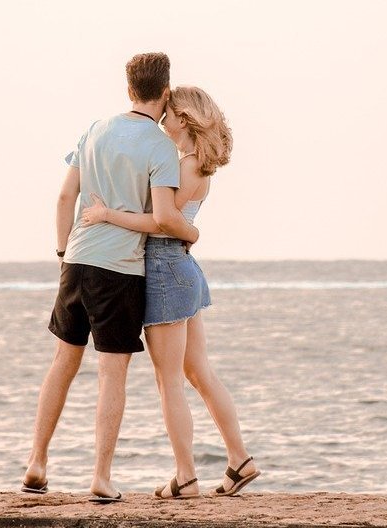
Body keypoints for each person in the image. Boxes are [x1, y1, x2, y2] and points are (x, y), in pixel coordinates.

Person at [21, 52, 200, 503]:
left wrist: (65, 252)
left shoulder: (94, 129)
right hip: (120, 271)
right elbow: (161, 218)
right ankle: (100, 478)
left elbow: (65, 197)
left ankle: (36, 463)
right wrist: (191, 230)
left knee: (62, 362)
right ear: (164, 93)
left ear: (127, 90)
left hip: (77, 261)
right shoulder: (161, 147)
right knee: (111, 374)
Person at [78, 85, 261, 499]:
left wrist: (107, 214)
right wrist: (189, 232)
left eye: (170, 113)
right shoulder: (196, 163)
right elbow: (173, 223)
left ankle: (186, 476)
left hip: (164, 268)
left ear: (185, 118)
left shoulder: (185, 166)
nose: (162, 118)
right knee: (199, 372)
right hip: (181, 268)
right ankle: (240, 460)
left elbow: (161, 221)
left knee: (170, 382)